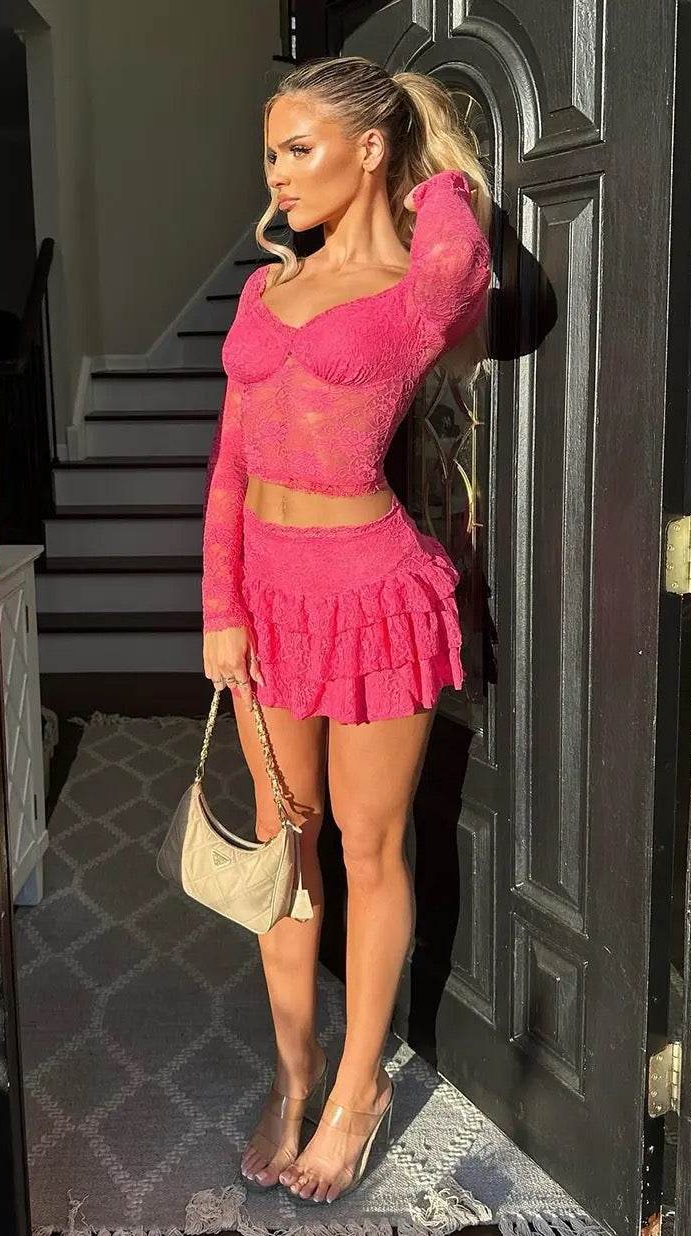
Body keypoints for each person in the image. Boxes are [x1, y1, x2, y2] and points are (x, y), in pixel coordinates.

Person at [200, 54, 492, 1206]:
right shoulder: (262, 290)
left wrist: (426, 168)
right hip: (267, 603)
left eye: (297, 148)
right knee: (285, 846)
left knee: (370, 851)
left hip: (374, 598)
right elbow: (229, 468)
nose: (275, 175)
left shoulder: (415, 289)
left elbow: (459, 248)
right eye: (268, 152)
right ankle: (294, 1075)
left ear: (366, 150)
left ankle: (358, 1088)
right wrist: (219, 607)